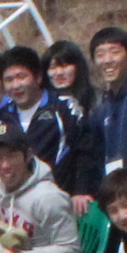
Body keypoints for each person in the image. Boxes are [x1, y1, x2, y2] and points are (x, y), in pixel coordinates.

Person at [24, 40, 102, 203]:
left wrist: (82, 188)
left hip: (86, 191)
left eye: (65, 65)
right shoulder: (41, 106)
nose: (59, 73)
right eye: (52, 67)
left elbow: (86, 150)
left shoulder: (97, 101)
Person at [83, 24, 127, 195]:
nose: (108, 60)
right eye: (100, 55)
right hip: (115, 193)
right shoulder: (102, 108)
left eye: (115, 52)